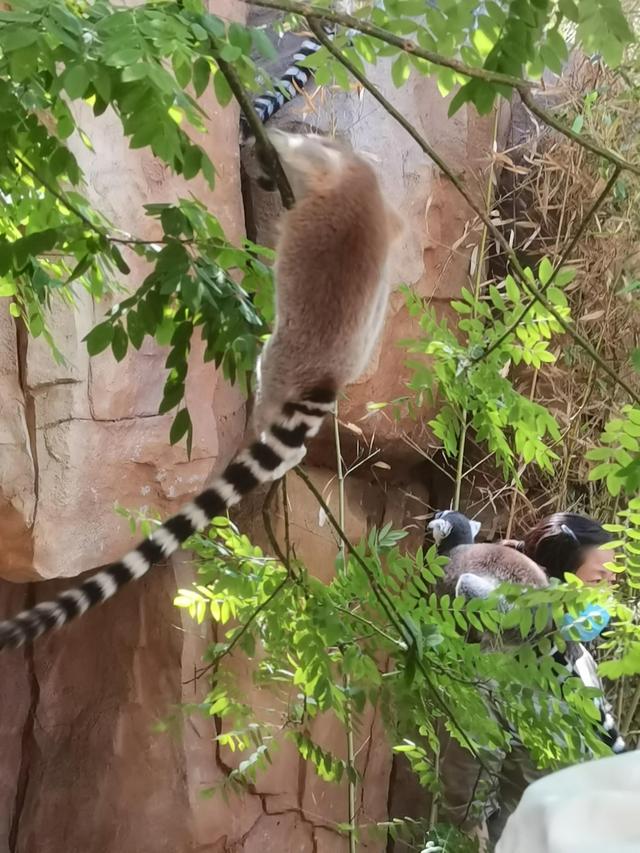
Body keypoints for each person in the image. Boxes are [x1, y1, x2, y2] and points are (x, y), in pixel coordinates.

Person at [438, 511, 624, 850]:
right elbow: (464, 789)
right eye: (598, 581)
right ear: (552, 582)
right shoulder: (498, 664)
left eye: (612, 583)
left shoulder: (579, 658)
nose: (607, 596)